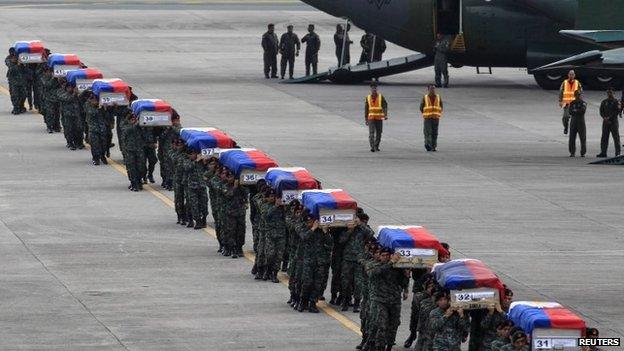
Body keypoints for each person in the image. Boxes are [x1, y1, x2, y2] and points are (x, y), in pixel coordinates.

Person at [367, 250, 409, 351]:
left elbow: (402, 283)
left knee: (394, 324)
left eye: (387, 255)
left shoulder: (397, 268)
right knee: (381, 325)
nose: (385, 257)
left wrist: (406, 275)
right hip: (380, 300)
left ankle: (389, 345)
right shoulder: (374, 265)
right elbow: (373, 274)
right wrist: (391, 263)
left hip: (394, 300)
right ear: (380, 257)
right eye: (383, 255)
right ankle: (379, 346)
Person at [82, 92, 109, 165]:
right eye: (94, 100)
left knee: (103, 143)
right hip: (93, 128)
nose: (95, 102)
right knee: (95, 144)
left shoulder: (101, 105)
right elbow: (91, 112)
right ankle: (95, 158)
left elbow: (107, 115)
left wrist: (105, 109)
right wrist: (99, 108)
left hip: (102, 128)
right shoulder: (87, 105)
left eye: (96, 100)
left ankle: (103, 156)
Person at [56, 82, 84, 150]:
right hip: (67, 115)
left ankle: (79, 143)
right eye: (69, 87)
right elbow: (67, 99)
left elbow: (82, 101)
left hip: (77, 114)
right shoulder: (62, 93)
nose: (70, 89)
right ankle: (70, 143)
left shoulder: (76, 94)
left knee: (79, 129)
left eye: (72, 87)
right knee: (69, 130)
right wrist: (74, 93)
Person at [122, 114, 147, 191]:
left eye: (134, 120)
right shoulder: (126, 127)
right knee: (132, 168)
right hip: (130, 150)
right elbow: (128, 130)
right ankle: (134, 183)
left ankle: (139, 182)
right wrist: (137, 124)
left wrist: (143, 126)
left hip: (139, 150)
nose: (133, 121)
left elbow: (145, 135)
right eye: (132, 120)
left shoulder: (139, 127)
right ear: (129, 121)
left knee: (141, 167)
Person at [185, 150, 208, 230]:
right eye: (191, 154)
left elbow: (208, 170)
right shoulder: (187, 162)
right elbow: (187, 168)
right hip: (192, 187)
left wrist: (205, 162)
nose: (193, 155)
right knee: (194, 205)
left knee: (204, 204)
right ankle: (197, 220)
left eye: (194, 153)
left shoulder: (201, 162)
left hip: (202, 186)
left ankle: (204, 218)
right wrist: (196, 161)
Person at [597, 88, 621, 157]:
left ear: (613, 93)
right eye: (608, 93)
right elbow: (601, 111)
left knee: (616, 138)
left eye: (611, 93)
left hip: (613, 122)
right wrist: (604, 117)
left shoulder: (616, 102)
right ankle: (603, 152)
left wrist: (609, 117)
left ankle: (618, 153)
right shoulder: (604, 102)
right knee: (604, 137)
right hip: (605, 122)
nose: (609, 94)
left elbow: (617, 111)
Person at [365, 83, 388, 152]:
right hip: (371, 118)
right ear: (371, 89)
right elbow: (366, 109)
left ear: (376, 89)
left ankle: (376, 145)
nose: (374, 89)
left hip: (379, 117)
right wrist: (366, 118)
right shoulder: (368, 97)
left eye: (375, 88)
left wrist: (385, 114)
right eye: (372, 88)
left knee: (379, 132)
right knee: (371, 133)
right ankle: (372, 147)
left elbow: (385, 105)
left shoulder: (381, 97)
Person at [420, 85, 444, 151]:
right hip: (427, 118)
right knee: (428, 132)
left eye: (433, 88)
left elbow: (441, 106)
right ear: (428, 89)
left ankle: (433, 146)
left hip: (436, 118)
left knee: (435, 132)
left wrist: (438, 113)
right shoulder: (425, 97)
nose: (432, 90)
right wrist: (426, 113)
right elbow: (421, 107)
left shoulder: (438, 97)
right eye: (431, 89)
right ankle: (427, 144)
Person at [559, 70, 582, 135]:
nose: (571, 76)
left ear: (574, 75)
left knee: (575, 119)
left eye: (572, 74)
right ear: (568, 75)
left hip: (575, 104)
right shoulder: (564, 82)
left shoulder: (577, 83)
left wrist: (580, 101)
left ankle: (573, 131)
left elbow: (580, 92)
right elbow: (561, 92)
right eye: (570, 74)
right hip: (566, 104)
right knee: (565, 117)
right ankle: (566, 127)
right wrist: (560, 101)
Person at [568, 90, 587, 157]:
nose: (577, 96)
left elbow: (582, 111)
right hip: (573, 122)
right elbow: (570, 111)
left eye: (579, 95)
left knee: (582, 137)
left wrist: (575, 110)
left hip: (581, 122)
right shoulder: (572, 103)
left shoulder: (583, 103)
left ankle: (583, 152)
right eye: (576, 95)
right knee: (572, 137)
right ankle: (572, 152)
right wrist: (576, 111)